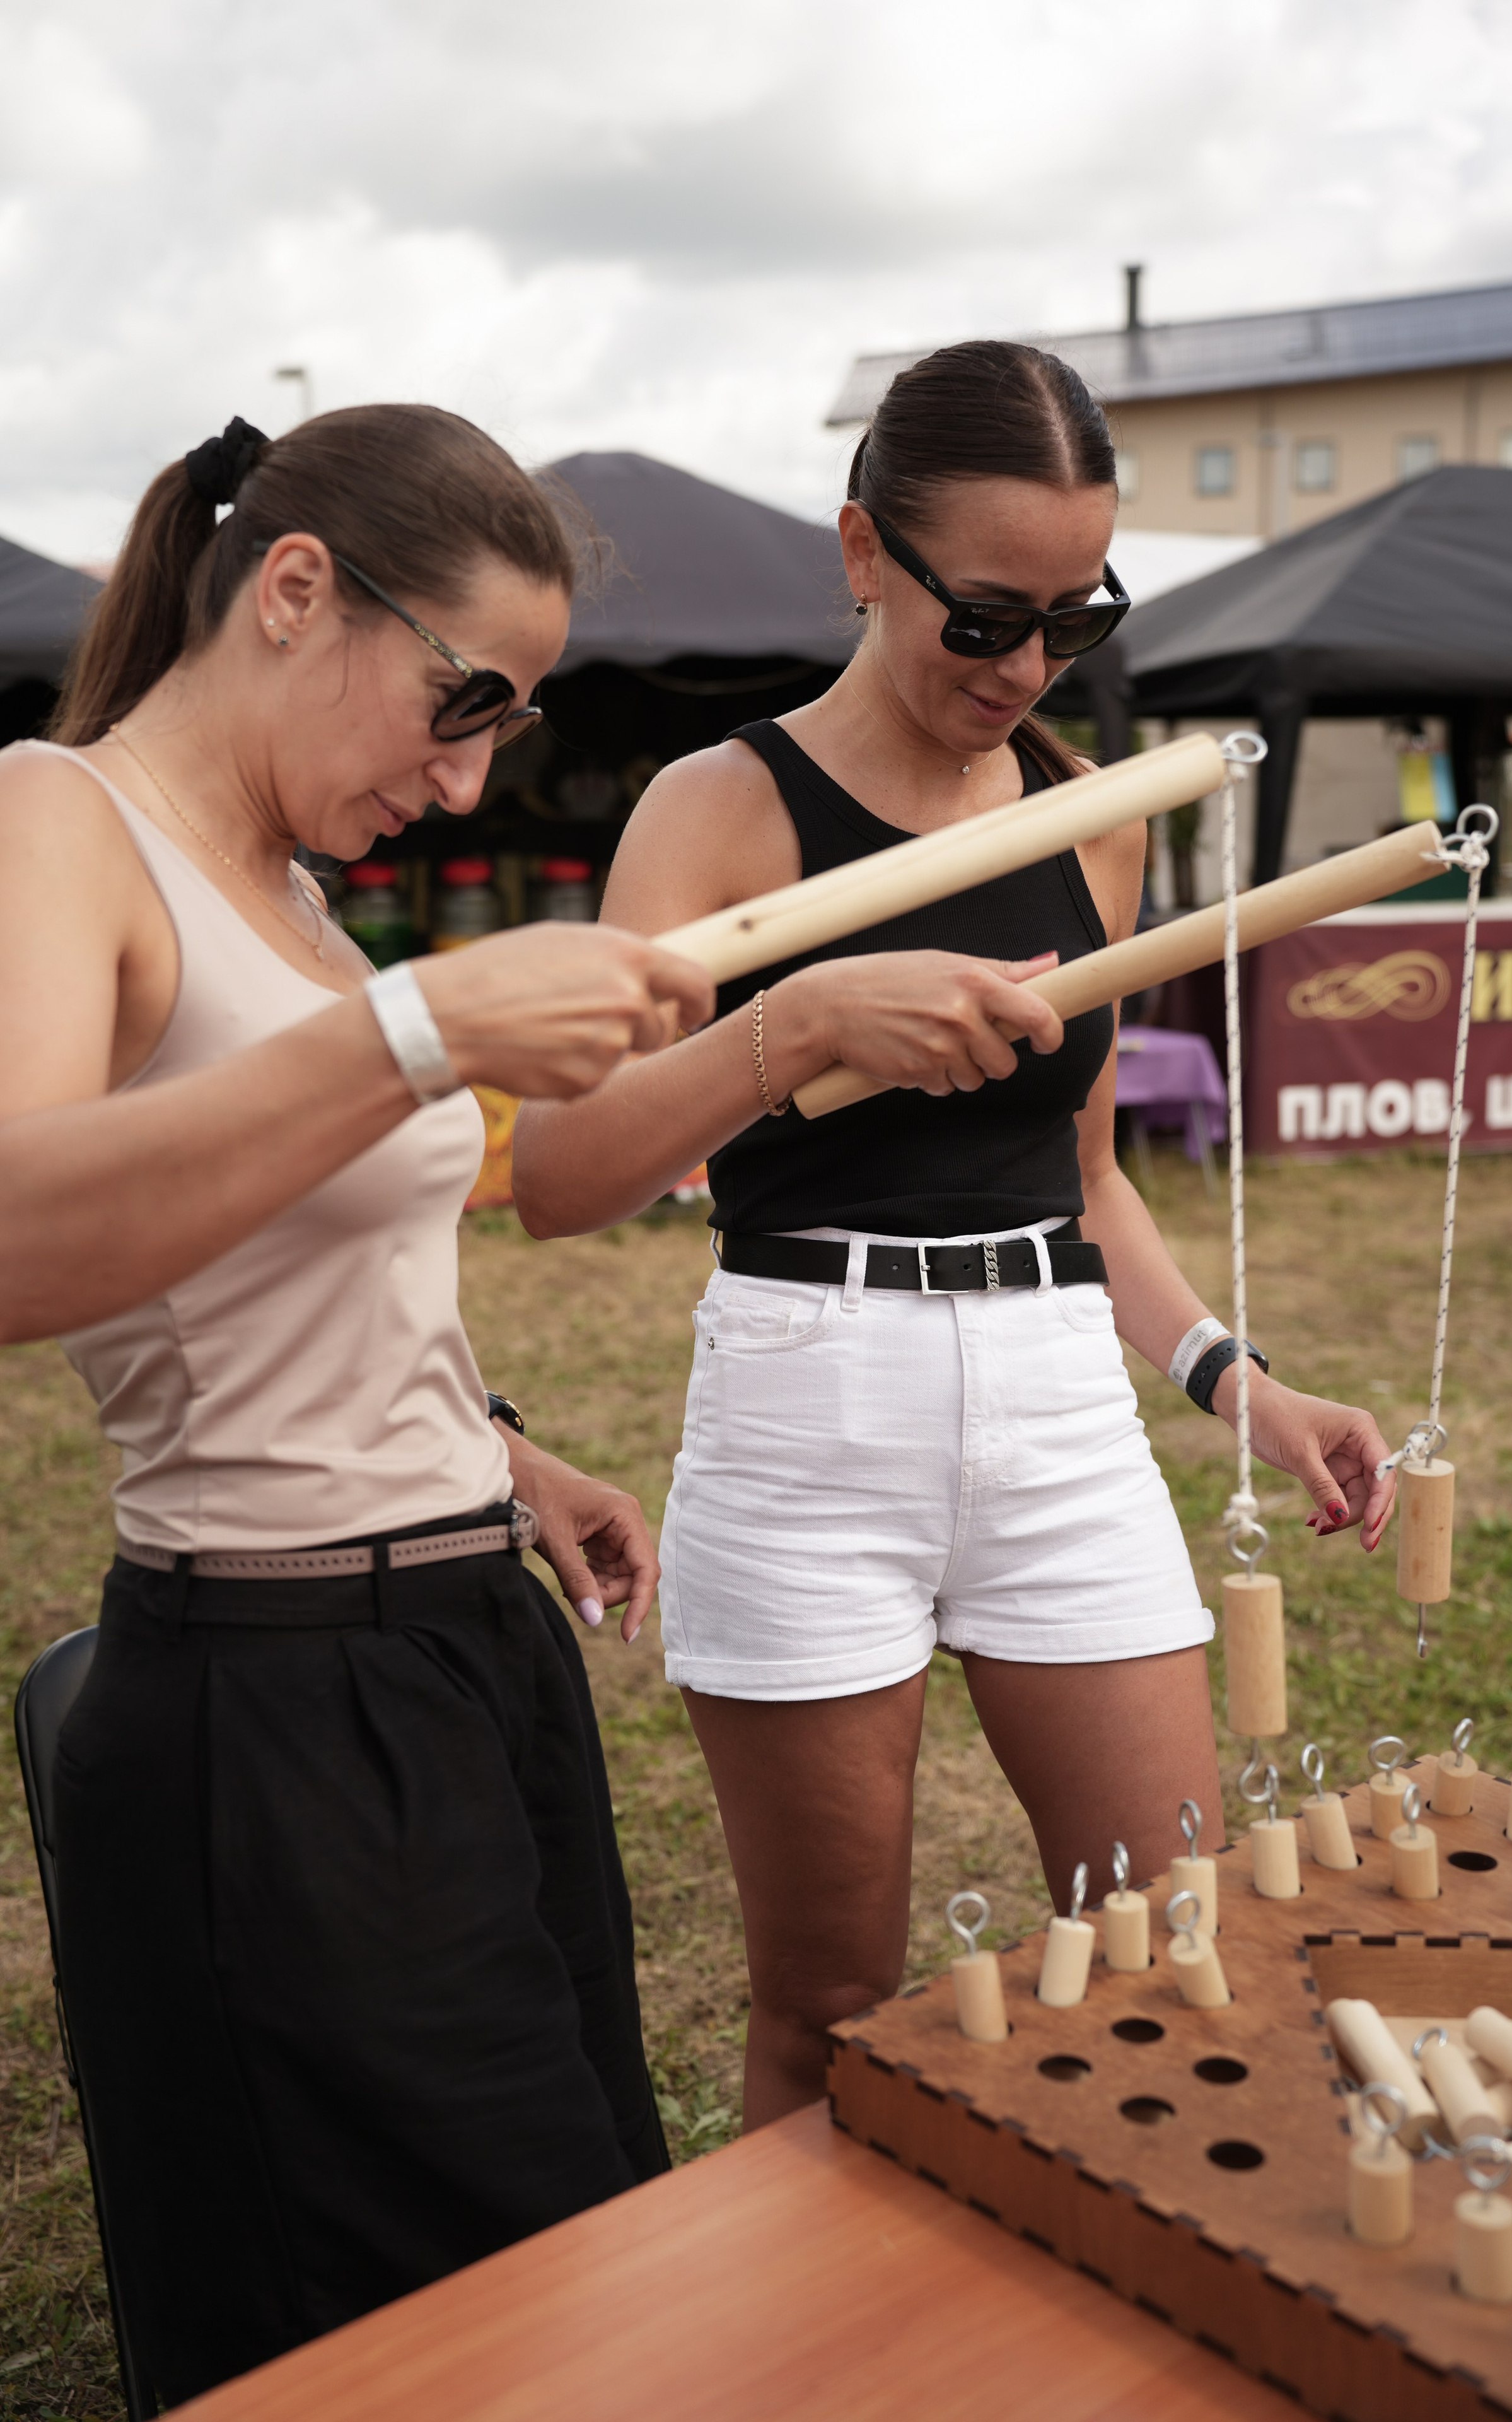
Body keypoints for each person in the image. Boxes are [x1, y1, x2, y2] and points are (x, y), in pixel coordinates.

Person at [512, 339, 1399, 2131]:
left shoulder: (1093, 821)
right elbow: (560, 1174)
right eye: (986, 616)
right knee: (827, 2008)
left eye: (1078, 618)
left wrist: (1238, 1381)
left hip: (1057, 1401)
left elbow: (1087, 1181)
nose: (1026, 666)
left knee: (1167, 1954)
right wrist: (801, 1025)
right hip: (807, 1401)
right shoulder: (720, 806)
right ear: (863, 551)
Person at [0, 407, 713, 2405]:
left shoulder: (299, 899)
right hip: (275, 1702)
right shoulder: (57, 816)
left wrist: (497, 1451)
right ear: (296, 591)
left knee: (585, 2229)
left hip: (460, 1648)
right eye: (460, 699)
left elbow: (281, 1278)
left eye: (509, 725)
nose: (469, 773)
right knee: (485, 2317)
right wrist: (423, 1026)